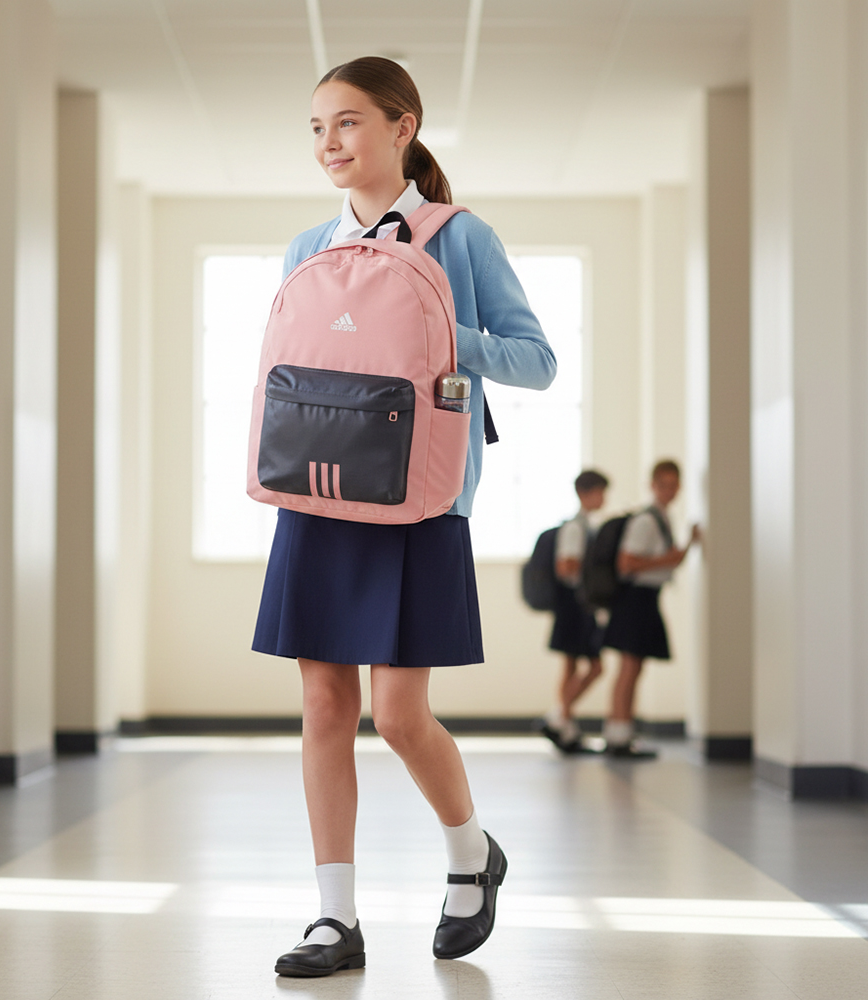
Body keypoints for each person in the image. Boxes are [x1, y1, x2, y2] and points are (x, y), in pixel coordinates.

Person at [252, 56, 557, 977]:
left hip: (420, 499)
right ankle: (333, 918)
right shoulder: (307, 247)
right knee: (322, 704)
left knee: (397, 711)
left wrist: (426, 326)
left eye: (347, 123)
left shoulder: (460, 238)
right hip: (319, 487)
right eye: (315, 128)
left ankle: (472, 853)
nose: (329, 144)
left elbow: (536, 361)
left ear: (402, 126)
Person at [601, 459, 701, 758]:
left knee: (634, 667)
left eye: (674, 485)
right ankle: (617, 736)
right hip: (635, 600)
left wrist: (681, 551)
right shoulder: (646, 521)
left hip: (646, 598)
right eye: (663, 485)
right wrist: (668, 558)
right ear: (653, 485)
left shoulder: (662, 519)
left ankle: (622, 732)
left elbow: (666, 561)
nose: (669, 491)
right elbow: (627, 563)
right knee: (629, 668)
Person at [541, 469, 609, 754]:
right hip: (574, 603)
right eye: (600, 492)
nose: (603, 498)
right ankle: (560, 719)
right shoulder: (575, 528)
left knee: (576, 666)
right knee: (588, 666)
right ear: (585, 493)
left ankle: (562, 720)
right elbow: (565, 567)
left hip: (578, 604)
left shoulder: (585, 526)